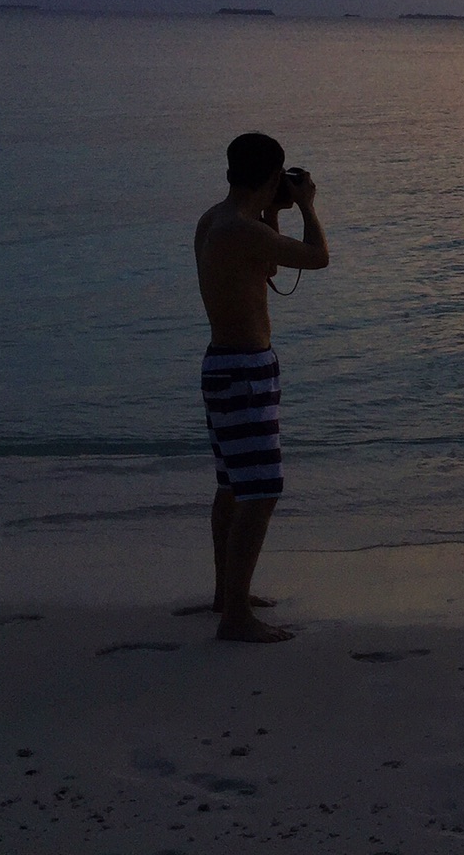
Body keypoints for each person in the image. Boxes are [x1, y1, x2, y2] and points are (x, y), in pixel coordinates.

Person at [181, 131, 329, 642]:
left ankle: (229, 595)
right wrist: (306, 205)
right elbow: (317, 257)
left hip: (227, 365)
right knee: (262, 491)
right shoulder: (239, 230)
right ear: (270, 177)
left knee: (232, 487)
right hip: (242, 369)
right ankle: (235, 618)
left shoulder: (216, 222)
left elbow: (264, 266)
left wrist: (274, 211)